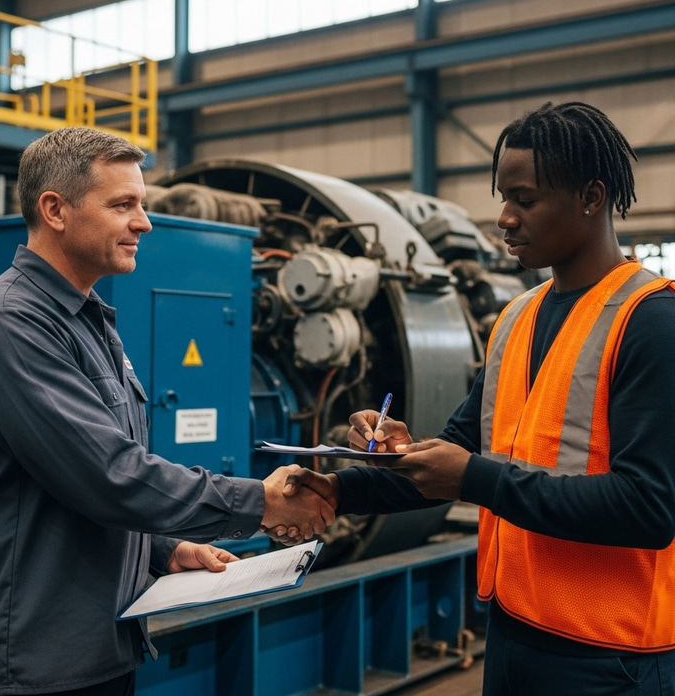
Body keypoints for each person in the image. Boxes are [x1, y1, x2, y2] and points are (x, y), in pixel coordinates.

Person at [281, 102, 675, 695]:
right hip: (513, 633)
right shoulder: (516, 318)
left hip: (612, 656)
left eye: (525, 200)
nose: (505, 219)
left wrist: (473, 478)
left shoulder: (651, 323)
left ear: (591, 198)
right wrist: (344, 486)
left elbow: (648, 508)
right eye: (503, 198)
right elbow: (460, 450)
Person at [0, 126, 335, 696]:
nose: (143, 222)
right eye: (123, 205)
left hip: (95, 642)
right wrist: (257, 501)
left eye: (141, 205)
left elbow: (69, 491)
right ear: (55, 209)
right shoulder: (8, 323)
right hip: (26, 661)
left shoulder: (88, 320)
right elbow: (108, 476)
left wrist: (164, 550)